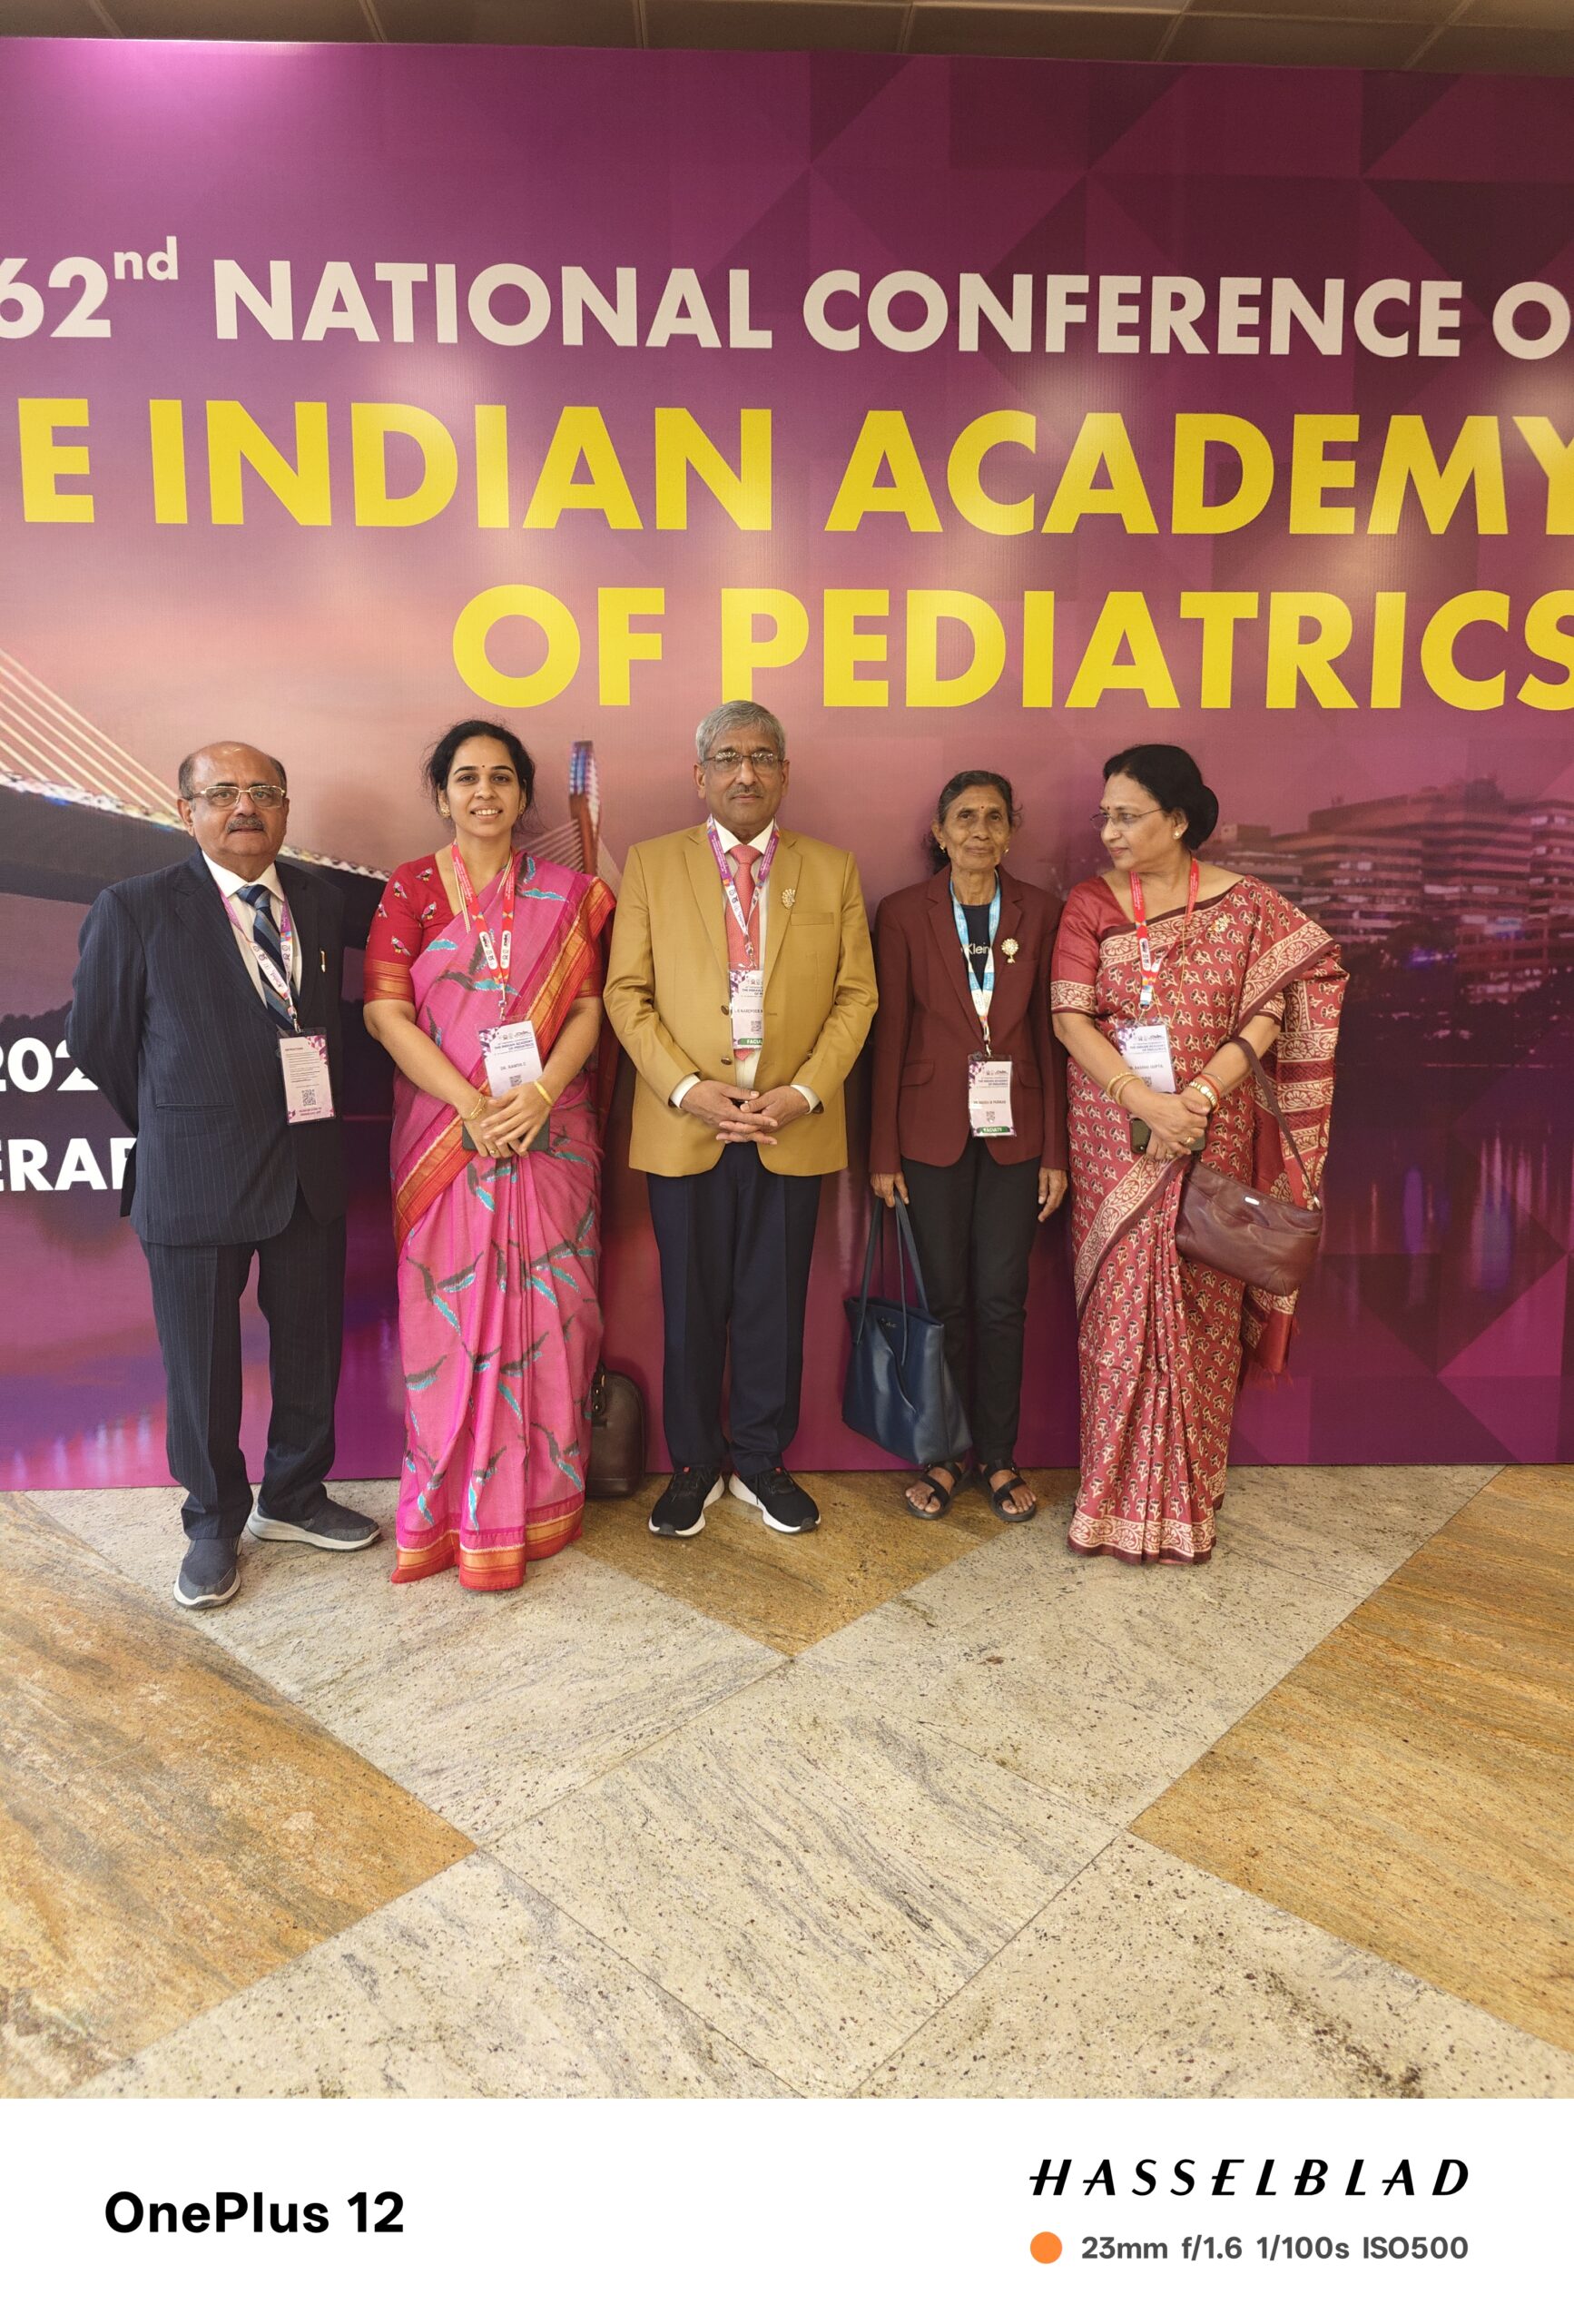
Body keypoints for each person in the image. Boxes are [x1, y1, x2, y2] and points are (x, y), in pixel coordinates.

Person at [66, 743, 379, 1610]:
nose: (246, 807)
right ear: (187, 811)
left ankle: (294, 1495)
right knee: (200, 1365)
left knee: (310, 1342)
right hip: (193, 1172)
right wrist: (177, 1116)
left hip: (307, 1166)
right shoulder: (135, 907)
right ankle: (211, 1521)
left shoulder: (318, 900)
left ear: (285, 808)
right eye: (224, 792)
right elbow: (97, 1039)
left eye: (264, 791)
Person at [1050, 743, 1345, 1564]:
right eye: (1104, 816)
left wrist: (1200, 1099)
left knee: (1203, 1310)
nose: (1109, 831)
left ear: (1177, 819)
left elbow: (1275, 1007)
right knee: (1120, 1314)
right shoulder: (1089, 903)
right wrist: (1144, 1102)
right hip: (1114, 1140)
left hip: (1214, 1133)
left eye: (1127, 816)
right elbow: (1071, 1017)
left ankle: (1185, 1501)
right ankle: (1108, 1503)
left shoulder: (1247, 907)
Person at [604, 701, 877, 1540]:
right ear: (701, 775)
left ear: (785, 772)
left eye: (761, 757)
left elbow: (856, 997)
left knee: (774, 1304)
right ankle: (694, 1464)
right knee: (689, 1305)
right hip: (687, 1124)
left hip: (790, 1125)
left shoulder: (832, 870)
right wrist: (688, 1088)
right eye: (727, 758)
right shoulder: (652, 864)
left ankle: (760, 1459)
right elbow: (626, 994)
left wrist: (805, 1093)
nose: (745, 773)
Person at [363, 721, 614, 1590]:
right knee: (449, 1322)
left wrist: (538, 1095)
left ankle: (541, 1504)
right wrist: (471, 1107)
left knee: (555, 1318)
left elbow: (587, 1008)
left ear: (523, 795)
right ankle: (450, 1514)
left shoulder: (568, 894)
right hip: (446, 1138)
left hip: (550, 1132)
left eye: (501, 777)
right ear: (442, 794)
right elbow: (386, 1013)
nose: (484, 793)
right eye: (466, 777)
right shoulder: (410, 889)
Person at [869, 772, 1067, 1524]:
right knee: (943, 1300)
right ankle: (944, 1455)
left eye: (993, 817)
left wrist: (1057, 1152)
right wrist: (883, 1153)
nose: (979, 830)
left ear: (1010, 831)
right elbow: (889, 1037)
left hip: (1019, 1132)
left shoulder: (1041, 912)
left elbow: (1051, 1036)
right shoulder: (903, 913)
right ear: (940, 832)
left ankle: (999, 1455)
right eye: (964, 817)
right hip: (927, 1133)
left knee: (1001, 1300)